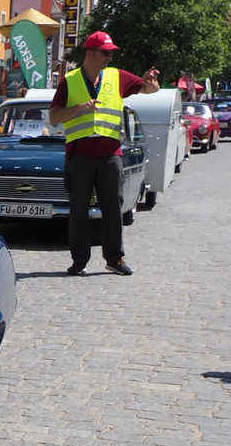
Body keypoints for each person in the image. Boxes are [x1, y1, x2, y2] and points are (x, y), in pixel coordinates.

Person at [48, 31, 160, 275]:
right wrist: (79, 108)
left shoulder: (117, 76)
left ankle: (115, 259)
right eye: (105, 53)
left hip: (110, 155)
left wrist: (150, 80)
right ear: (90, 53)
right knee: (78, 211)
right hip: (79, 156)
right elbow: (54, 116)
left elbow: (150, 89)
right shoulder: (69, 80)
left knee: (113, 209)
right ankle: (79, 261)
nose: (109, 57)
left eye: (111, 53)